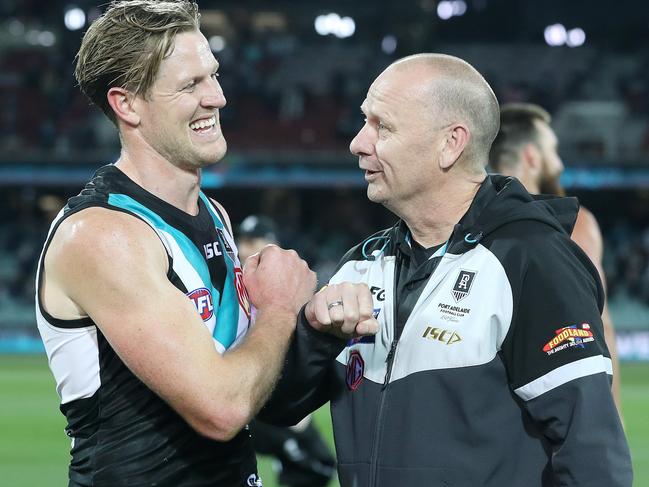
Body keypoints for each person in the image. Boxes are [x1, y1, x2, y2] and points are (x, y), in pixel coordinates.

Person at [260, 54, 633, 486]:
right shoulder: (360, 266)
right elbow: (279, 410)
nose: (358, 142)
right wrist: (314, 335)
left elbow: (592, 458)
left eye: (383, 126)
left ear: (451, 143)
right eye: (364, 122)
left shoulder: (531, 260)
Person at [35, 1, 316, 486]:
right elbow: (222, 408)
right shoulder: (104, 234)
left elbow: (255, 385)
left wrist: (324, 324)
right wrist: (279, 309)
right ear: (128, 105)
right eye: (191, 85)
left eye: (213, 75)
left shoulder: (213, 215)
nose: (218, 98)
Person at [488, 102, 623, 415]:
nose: (559, 163)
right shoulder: (573, 222)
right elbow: (598, 322)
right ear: (532, 157)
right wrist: (611, 413)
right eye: (552, 150)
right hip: (554, 395)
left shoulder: (464, 221)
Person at [237, 215, 336, 487]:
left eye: (253, 240)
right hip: (247, 385)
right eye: (242, 241)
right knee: (315, 462)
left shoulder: (288, 282)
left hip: (276, 380)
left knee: (314, 463)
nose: (246, 248)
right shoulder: (232, 280)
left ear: (271, 242)